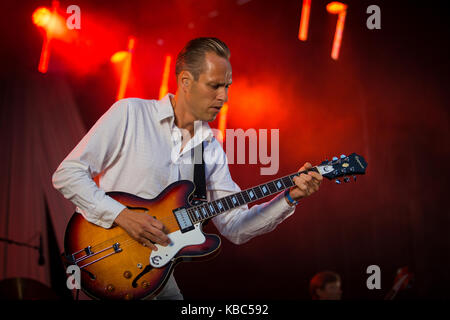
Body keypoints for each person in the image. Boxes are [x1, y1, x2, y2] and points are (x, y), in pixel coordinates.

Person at [52, 37, 323, 300]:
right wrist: (123, 215)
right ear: (185, 81)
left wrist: (288, 198)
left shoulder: (210, 149)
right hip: (108, 262)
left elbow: (235, 227)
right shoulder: (130, 114)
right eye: (215, 86)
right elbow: (68, 174)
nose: (224, 97)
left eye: (227, 86)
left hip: (158, 275)